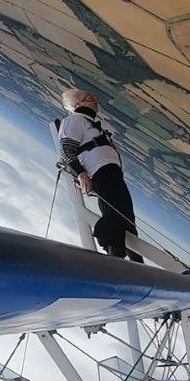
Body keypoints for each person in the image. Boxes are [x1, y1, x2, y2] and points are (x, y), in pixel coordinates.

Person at [57, 89, 143, 262]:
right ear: (77, 104)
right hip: (100, 172)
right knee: (117, 214)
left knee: (126, 219)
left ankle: (134, 263)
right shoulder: (75, 120)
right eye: (89, 98)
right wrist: (80, 174)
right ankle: (116, 260)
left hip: (111, 173)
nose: (95, 101)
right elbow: (66, 151)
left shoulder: (90, 123)